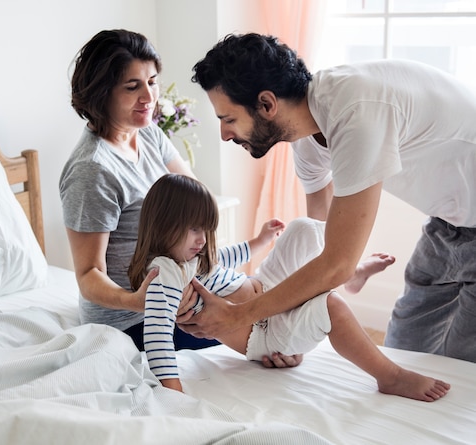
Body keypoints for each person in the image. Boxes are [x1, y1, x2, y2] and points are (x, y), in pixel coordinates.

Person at [181, 32, 476, 363]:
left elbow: (337, 264)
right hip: (447, 223)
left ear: (267, 104)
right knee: (402, 347)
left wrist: (240, 315)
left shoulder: (356, 113)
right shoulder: (308, 134)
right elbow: (318, 245)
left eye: (228, 119)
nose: (224, 135)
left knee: (463, 367)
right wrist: (292, 335)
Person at [60, 29, 288, 359]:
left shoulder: (148, 133)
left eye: (152, 82)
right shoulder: (91, 171)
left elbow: (197, 197)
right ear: (101, 92)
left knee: (269, 299)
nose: (149, 97)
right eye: (132, 86)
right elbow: (88, 276)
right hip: (133, 318)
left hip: (178, 285)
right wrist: (140, 300)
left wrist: (210, 270)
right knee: (270, 331)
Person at [129, 174, 450, 401]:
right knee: (332, 306)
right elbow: (156, 334)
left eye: (206, 229)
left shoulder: (193, 254)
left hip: (263, 287)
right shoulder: (166, 274)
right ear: (165, 226)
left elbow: (224, 256)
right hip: (263, 330)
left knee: (301, 229)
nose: (202, 239)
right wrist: (172, 390)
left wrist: (260, 241)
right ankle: (389, 376)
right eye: (194, 229)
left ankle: (347, 272)